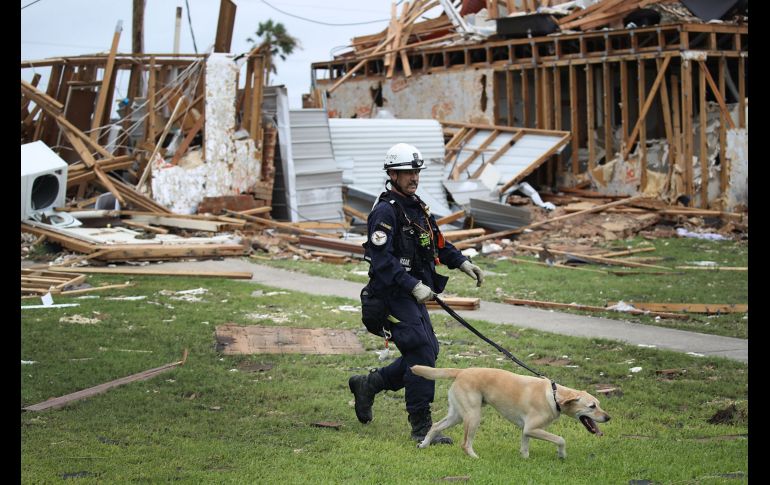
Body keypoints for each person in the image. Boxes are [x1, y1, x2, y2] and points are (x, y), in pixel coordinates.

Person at [349, 142, 484, 445]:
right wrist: (412, 285)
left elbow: (436, 243)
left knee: (426, 352)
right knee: (422, 350)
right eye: (407, 172)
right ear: (392, 175)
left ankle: (369, 385)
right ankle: (422, 427)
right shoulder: (385, 212)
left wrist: (462, 262)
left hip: (412, 295)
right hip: (389, 297)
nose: (414, 177)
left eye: (416, 171)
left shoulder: (418, 207)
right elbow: (381, 260)